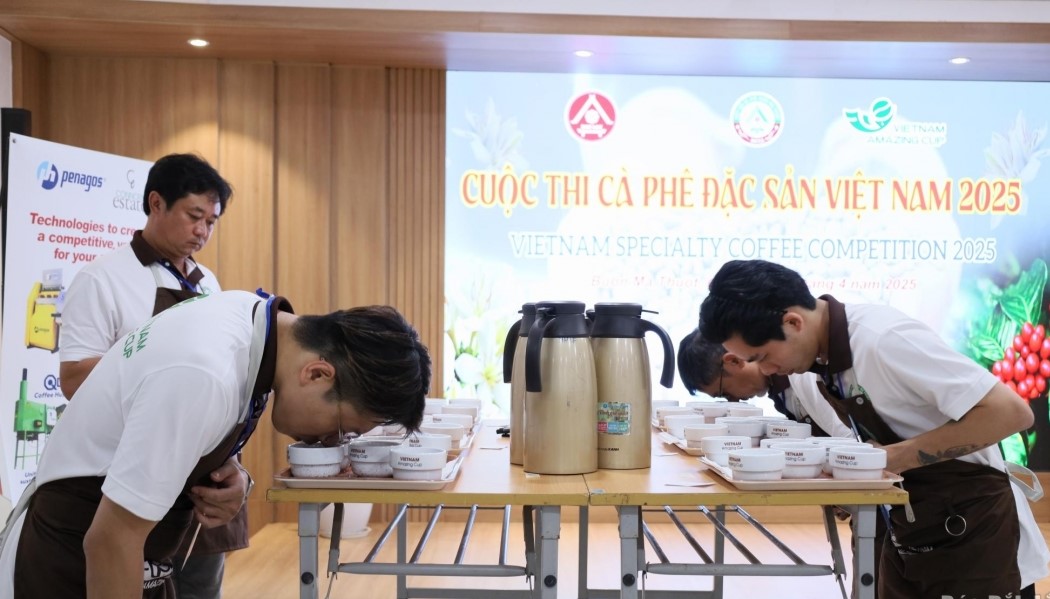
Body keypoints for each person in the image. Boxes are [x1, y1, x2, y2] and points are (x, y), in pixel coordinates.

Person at [0, 289, 431, 598]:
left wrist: (234, 472)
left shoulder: (254, 321)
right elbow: (111, 540)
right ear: (317, 374)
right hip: (71, 563)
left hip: (132, 561)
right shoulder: (203, 373)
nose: (331, 441)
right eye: (343, 428)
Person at [698, 258, 1050, 599]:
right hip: (913, 528)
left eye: (762, 357)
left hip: (975, 532)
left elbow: (1010, 413)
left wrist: (891, 458)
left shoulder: (883, 338)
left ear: (793, 322)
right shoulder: (821, 363)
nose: (767, 371)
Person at [56, 153, 238, 598]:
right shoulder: (101, 278)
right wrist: (157, 370)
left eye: (211, 222)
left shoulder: (208, 283)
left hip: (199, 477)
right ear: (156, 203)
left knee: (200, 589)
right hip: (130, 477)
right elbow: (74, 379)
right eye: (194, 216)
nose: (202, 231)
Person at [677, 326, 851, 437]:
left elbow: (850, 442)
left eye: (724, 393)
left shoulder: (800, 374)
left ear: (734, 361)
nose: (733, 401)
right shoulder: (779, 391)